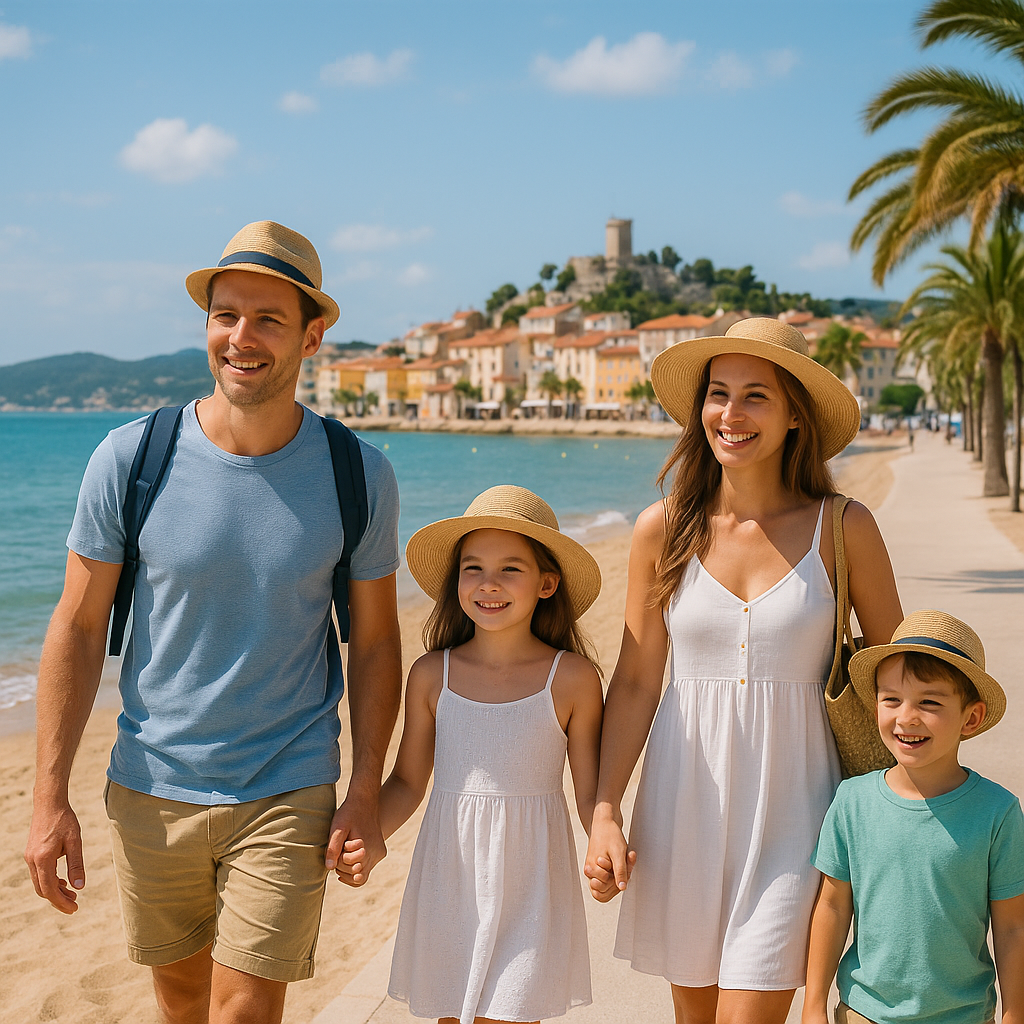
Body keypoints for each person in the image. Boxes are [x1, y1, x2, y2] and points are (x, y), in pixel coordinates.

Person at [24, 221, 403, 1024]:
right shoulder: (130, 459)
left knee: (243, 1011)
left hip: (288, 779)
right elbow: (79, 626)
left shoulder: (358, 474)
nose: (241, 338)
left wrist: (364, 789)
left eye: (268, 319)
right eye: (226, 315)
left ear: (312, 337)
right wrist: (48, 795)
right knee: (182, 1002)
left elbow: (373, 641)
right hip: (151, 782)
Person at [584, 317, 904, 1024]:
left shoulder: (843, 527)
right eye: (719, 393)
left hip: (799, 813)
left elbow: (900, 679)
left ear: (795, 416)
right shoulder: (662, 529)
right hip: (682, 809)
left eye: (756, 395)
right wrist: (605, 811)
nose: (731, 413)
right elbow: (636, 681)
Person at [337, 485, 604, 1024]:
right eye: (473, 568)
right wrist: (369, 832)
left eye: (510, 569)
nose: (488, 583)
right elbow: (408, 781)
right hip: (451, 878)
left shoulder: (572, 678)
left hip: (532, 883)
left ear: (547, 583)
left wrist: (605, 837)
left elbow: (590, 792)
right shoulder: (432, 674)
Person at [804, 609, 1024, 1024]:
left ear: (971, 718)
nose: (906, 716)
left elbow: (1013, 929)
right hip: (864, 1012)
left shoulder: (998, 812)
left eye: (929, 702)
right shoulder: (852, 801)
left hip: (964, 1016)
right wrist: (813, 1005)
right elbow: (832, 906)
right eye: (891, 699)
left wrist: (1015, 1014)